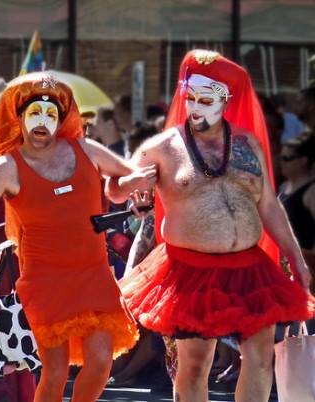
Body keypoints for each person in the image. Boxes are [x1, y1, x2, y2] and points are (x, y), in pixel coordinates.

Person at [120, 50, 315, 402]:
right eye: (190, 97)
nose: (195, 106)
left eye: (206, 98)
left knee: (259, 360)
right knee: (195, 366)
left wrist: (295, 258)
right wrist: (136, 193)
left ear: (225, 100)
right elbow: (119, 188)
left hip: (249, 270)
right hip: (191, 272)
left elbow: (268, 205)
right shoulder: (163, 147)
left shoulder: (247, 144)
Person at [0, 72, 152, 402]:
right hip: (44, 282)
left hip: (94, 276)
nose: (42, 122)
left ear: (61, 119)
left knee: (100, 364)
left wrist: (138, 195)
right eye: (34, 114)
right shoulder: (7, 167)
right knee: (54, 372)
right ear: (20, 119)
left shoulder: (85, 149)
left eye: (50, 114)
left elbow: (125, 180)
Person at [279, 132, 315, 292]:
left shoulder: (312, 190)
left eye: (287, 158)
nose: (282, 163)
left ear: (304, 161)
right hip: (287, 268)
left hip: (307, 270)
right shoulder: (283, 187)